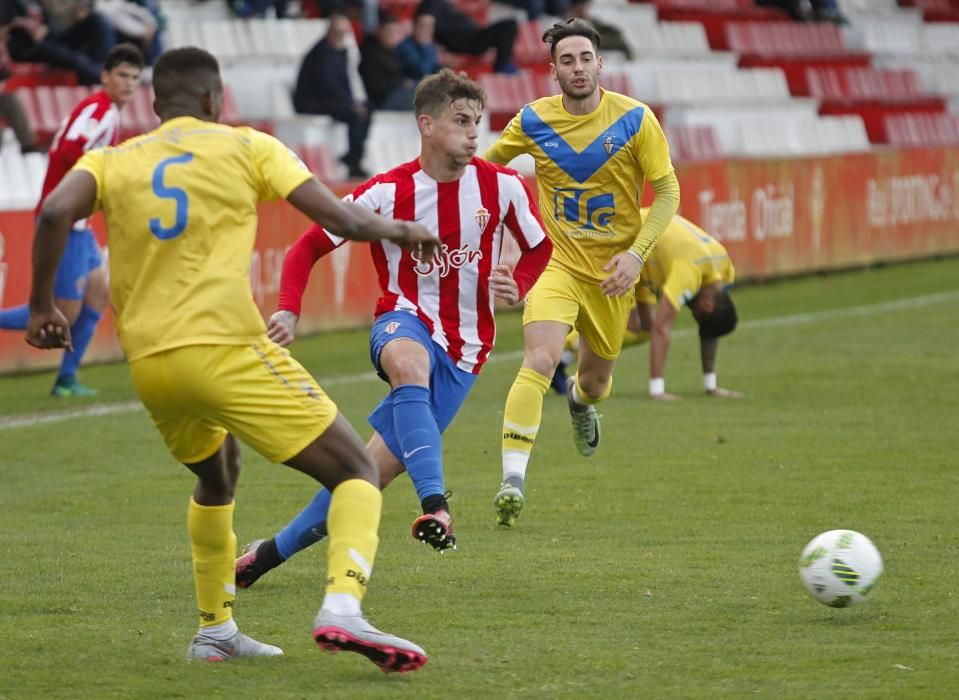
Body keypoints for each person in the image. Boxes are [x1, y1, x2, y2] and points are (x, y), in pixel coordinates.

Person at [25, 46, 440, 671]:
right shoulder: (247, 145)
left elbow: (55, 209)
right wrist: (406, 232)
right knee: (357, 471)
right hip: (225, 349)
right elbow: (338, 218)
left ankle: (215, 632)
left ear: (156, 104)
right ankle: (343, 609)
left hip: (153, 368)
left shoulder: (113, 159)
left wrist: (39, 309)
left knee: (218, 475)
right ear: (217, 99)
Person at [233, 68, 552, 589]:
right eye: (461, 121)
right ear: (426, 124)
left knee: (363, 475)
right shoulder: (387, 192)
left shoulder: (504, 187)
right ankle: (437, 506)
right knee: (409, 363)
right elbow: (307, 246)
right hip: (402, 318)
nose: (475, 133)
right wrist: (289, 308)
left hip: (467, 350)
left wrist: (518, 282)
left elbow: (539, 247)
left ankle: (265, 557)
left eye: (479, 122)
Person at [483, 19, 680, 527]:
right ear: (552, 71)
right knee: (541, 357)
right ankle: (512, 480)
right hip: (556, 263)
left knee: (594, 382)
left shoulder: (636, 121)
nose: (577, 67)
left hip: (614, 275)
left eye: (584, 58)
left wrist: (635, 255)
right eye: (566, 60)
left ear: (600, 63)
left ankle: (579, 403)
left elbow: (668, 193)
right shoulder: (532, 121)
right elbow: (486, 173)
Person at [0, 42, 144, 396]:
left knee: (97, 295)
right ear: (105, 76)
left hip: (79, 222)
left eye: (135, 78)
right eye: (122, 75)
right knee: (63, 308)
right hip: (65, 220)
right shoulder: (100, 111)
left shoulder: (102, 109)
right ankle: (65, 378)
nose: (128, 83)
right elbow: (69, 149)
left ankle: (67, 379)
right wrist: (89, 186)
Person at [558, 209, 742, 399]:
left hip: (647, 260)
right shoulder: (689, 272)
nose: (693, 316)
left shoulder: (725, 272)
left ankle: (563, 357)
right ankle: (565, 347)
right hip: (626, 242)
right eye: (698, 318)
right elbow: (662, 329)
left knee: (644, 328)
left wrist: (711, 386)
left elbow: (708, 331)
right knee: (626, 324)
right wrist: (658, 391)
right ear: (707, 304)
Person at [292, 12, 370, 179]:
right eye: (337, 32)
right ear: (328, 31)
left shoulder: (339, 52)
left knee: (366, 110)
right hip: (311, 102)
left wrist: (352, 102)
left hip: (328, 101)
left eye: (343, 33)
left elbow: (343, 83)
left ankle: (352, 156)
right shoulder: (320, 54)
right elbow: (326, 85)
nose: (340, 36)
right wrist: (349, 104)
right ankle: (354, 162)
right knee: (355, 115)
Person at [416, 0, 519, 75]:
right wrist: (431, 52)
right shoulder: (431, 3)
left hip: (472, 37)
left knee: (509, 25)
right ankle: (503, 66)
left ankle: (505, 64)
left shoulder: (443, 4)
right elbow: (425, 23)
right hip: (464, 42)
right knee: (509, 25)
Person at [359, 11, 415, 111]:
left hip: (395, 94)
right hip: (381, 101)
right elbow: (375, 87)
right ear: (379, 31)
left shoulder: (394, 52)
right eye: (388, 31)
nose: (392, 35)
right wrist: (400, 83)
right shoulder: (371, 54)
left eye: (395, 31)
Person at [396, 11, 442, 82]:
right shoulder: (405, 46)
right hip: (410, 86)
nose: (426, 29)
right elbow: (423, 70)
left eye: (430, 26)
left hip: (425, 85)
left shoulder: (430, 44)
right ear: (414, 26)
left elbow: (435, 66)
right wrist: (425, 47)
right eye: (422, 26)